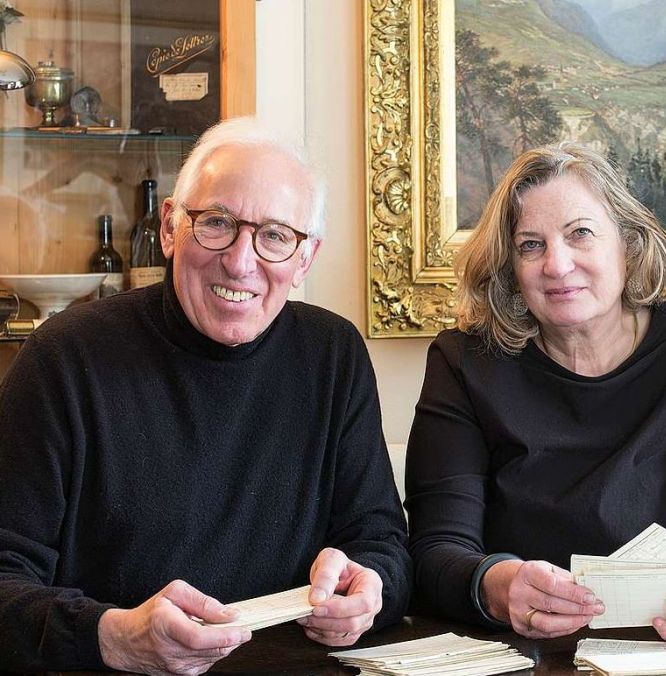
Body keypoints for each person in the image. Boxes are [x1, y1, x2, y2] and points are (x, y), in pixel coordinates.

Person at [0, 117, 412, 673]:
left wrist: (369, 591)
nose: (241, 262)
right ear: (170, 228)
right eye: (216, 223)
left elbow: (381, 543)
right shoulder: (65, 357)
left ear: (305, 258)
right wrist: (112, 637)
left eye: (275, 236)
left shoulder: (332, 355)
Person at [405, 143, 666, 643]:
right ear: (509, 266)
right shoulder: (464, 361)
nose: (557, 264)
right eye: (531, 245)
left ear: (628, 244)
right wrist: (496, 586)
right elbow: (436, 548)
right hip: (515, 647)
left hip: (661, 643)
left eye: (580, 234)